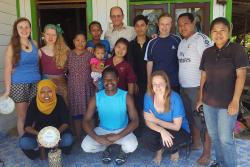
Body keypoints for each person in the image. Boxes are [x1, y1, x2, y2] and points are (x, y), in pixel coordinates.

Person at [197, 17, 248, 167]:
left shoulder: (237, 50)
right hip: (208, 102)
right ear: (211, 33)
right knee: (214, 135)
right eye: (215, 31)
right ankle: (219, 162)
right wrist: (200, 98)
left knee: (226, 138)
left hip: (227, 103)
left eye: (222, 31)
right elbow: (203, 75)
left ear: (229, 32)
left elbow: (241, 76)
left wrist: (235, 101)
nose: (218, 34)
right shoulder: (207, 52)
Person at [81, 67, 139, 165]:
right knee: (86, 146)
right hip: (103, 130)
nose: (109, 82)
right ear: (102, 81)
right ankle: (105, 147)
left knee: (132, 145)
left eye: (112, 79)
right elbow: (85, 121)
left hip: (121, 130)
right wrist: (97, 138)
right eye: (106, 80)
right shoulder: (96, 98)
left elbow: (135, 120)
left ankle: (123, 151)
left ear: (117, 79)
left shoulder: (126, 96)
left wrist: (118, 136)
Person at [177, 13, 213, 166]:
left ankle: (206, 153)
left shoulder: (201, 39)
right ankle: (196, 143)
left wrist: (203, 92)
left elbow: (210, 65)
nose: (182, 27)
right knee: (191, 118)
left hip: (199, 88)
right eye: (179, 25)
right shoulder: (182, 42)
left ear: (193, 23)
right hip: (184, 88)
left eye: (185, 23)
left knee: (204, 121)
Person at [2, 17, 41, 136]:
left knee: (33, 113)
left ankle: (33, 139)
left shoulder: (34, 43)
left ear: (30, 29)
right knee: (22, 115)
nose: (24, 30)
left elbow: (38, 63)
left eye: (27, 27)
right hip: (19, 84)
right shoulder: (12, 46)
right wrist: (7, 91)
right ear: (16, 30)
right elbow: (8, 70)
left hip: (36, 83)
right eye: (21, 27)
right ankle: (23, 142)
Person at [142, 71, 190, 165]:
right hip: (161, 127)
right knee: (146, 137)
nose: (157, 87)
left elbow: (176, 126)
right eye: (154, 84)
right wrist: (162, 131)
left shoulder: (175, 98)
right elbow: (148, 121)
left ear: (166, 83)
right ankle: (159, 150)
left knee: (168, 141)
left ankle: (174, 150)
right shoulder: (148, 96)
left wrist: (155, 120)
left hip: (179, 130)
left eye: (160, 84)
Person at [19, 80, 73, 160]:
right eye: (42, 92)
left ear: (53, 90)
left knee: (68, 139)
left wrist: (55, 136)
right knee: (24, 143)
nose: (46, 95)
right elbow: (27, 126)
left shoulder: (59, 100)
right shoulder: (34, 101)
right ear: (39, 92)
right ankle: (40, 150)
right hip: (39, 132)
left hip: (58, 131)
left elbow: (65, 123)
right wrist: (41, 136)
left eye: (49, 91)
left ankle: (55, 147)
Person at [67, 32, 95, 142]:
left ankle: (92, 136)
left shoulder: (90, 55)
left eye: (83, 41)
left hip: (87, 87)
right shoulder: (68, 54)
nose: (80, 43)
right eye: (77, 40)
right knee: (76, 113)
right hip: (73, 88)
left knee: (90, 112)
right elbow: (64, 69)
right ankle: (78, 137)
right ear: (73, 41)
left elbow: (96, 69)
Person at [145, 13, 181, 92]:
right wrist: (148, 82)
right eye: (162, 24)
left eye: (167, 24)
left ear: (171, 25)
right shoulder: (152, 43)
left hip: (174, 83)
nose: (164, 27)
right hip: (157, 84)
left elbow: (181, 60)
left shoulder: (177, 40)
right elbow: (149, 63)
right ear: (158, 24)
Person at [127, 15, 151, 134]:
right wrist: (133, 82)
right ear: (134, 28)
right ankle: (139, 130)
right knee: (137, 105)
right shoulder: (130, 45)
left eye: (142, 25)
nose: (140, 28)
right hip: (136, 82)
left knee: (150, 106)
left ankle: (152, 130)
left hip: (150, 81)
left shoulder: (152, 42)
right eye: (137, 25)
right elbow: (129, 65)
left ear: (147, 26)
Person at [39, 24, 69, 104]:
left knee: (63, 104)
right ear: (43, 35)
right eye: (48, 34)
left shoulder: (65, 50)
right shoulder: (39, 51)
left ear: (57, 36)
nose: (50, 37)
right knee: (48, 105)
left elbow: (69, 67)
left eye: (53, 35)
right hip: (46, 83)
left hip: (62, 83)